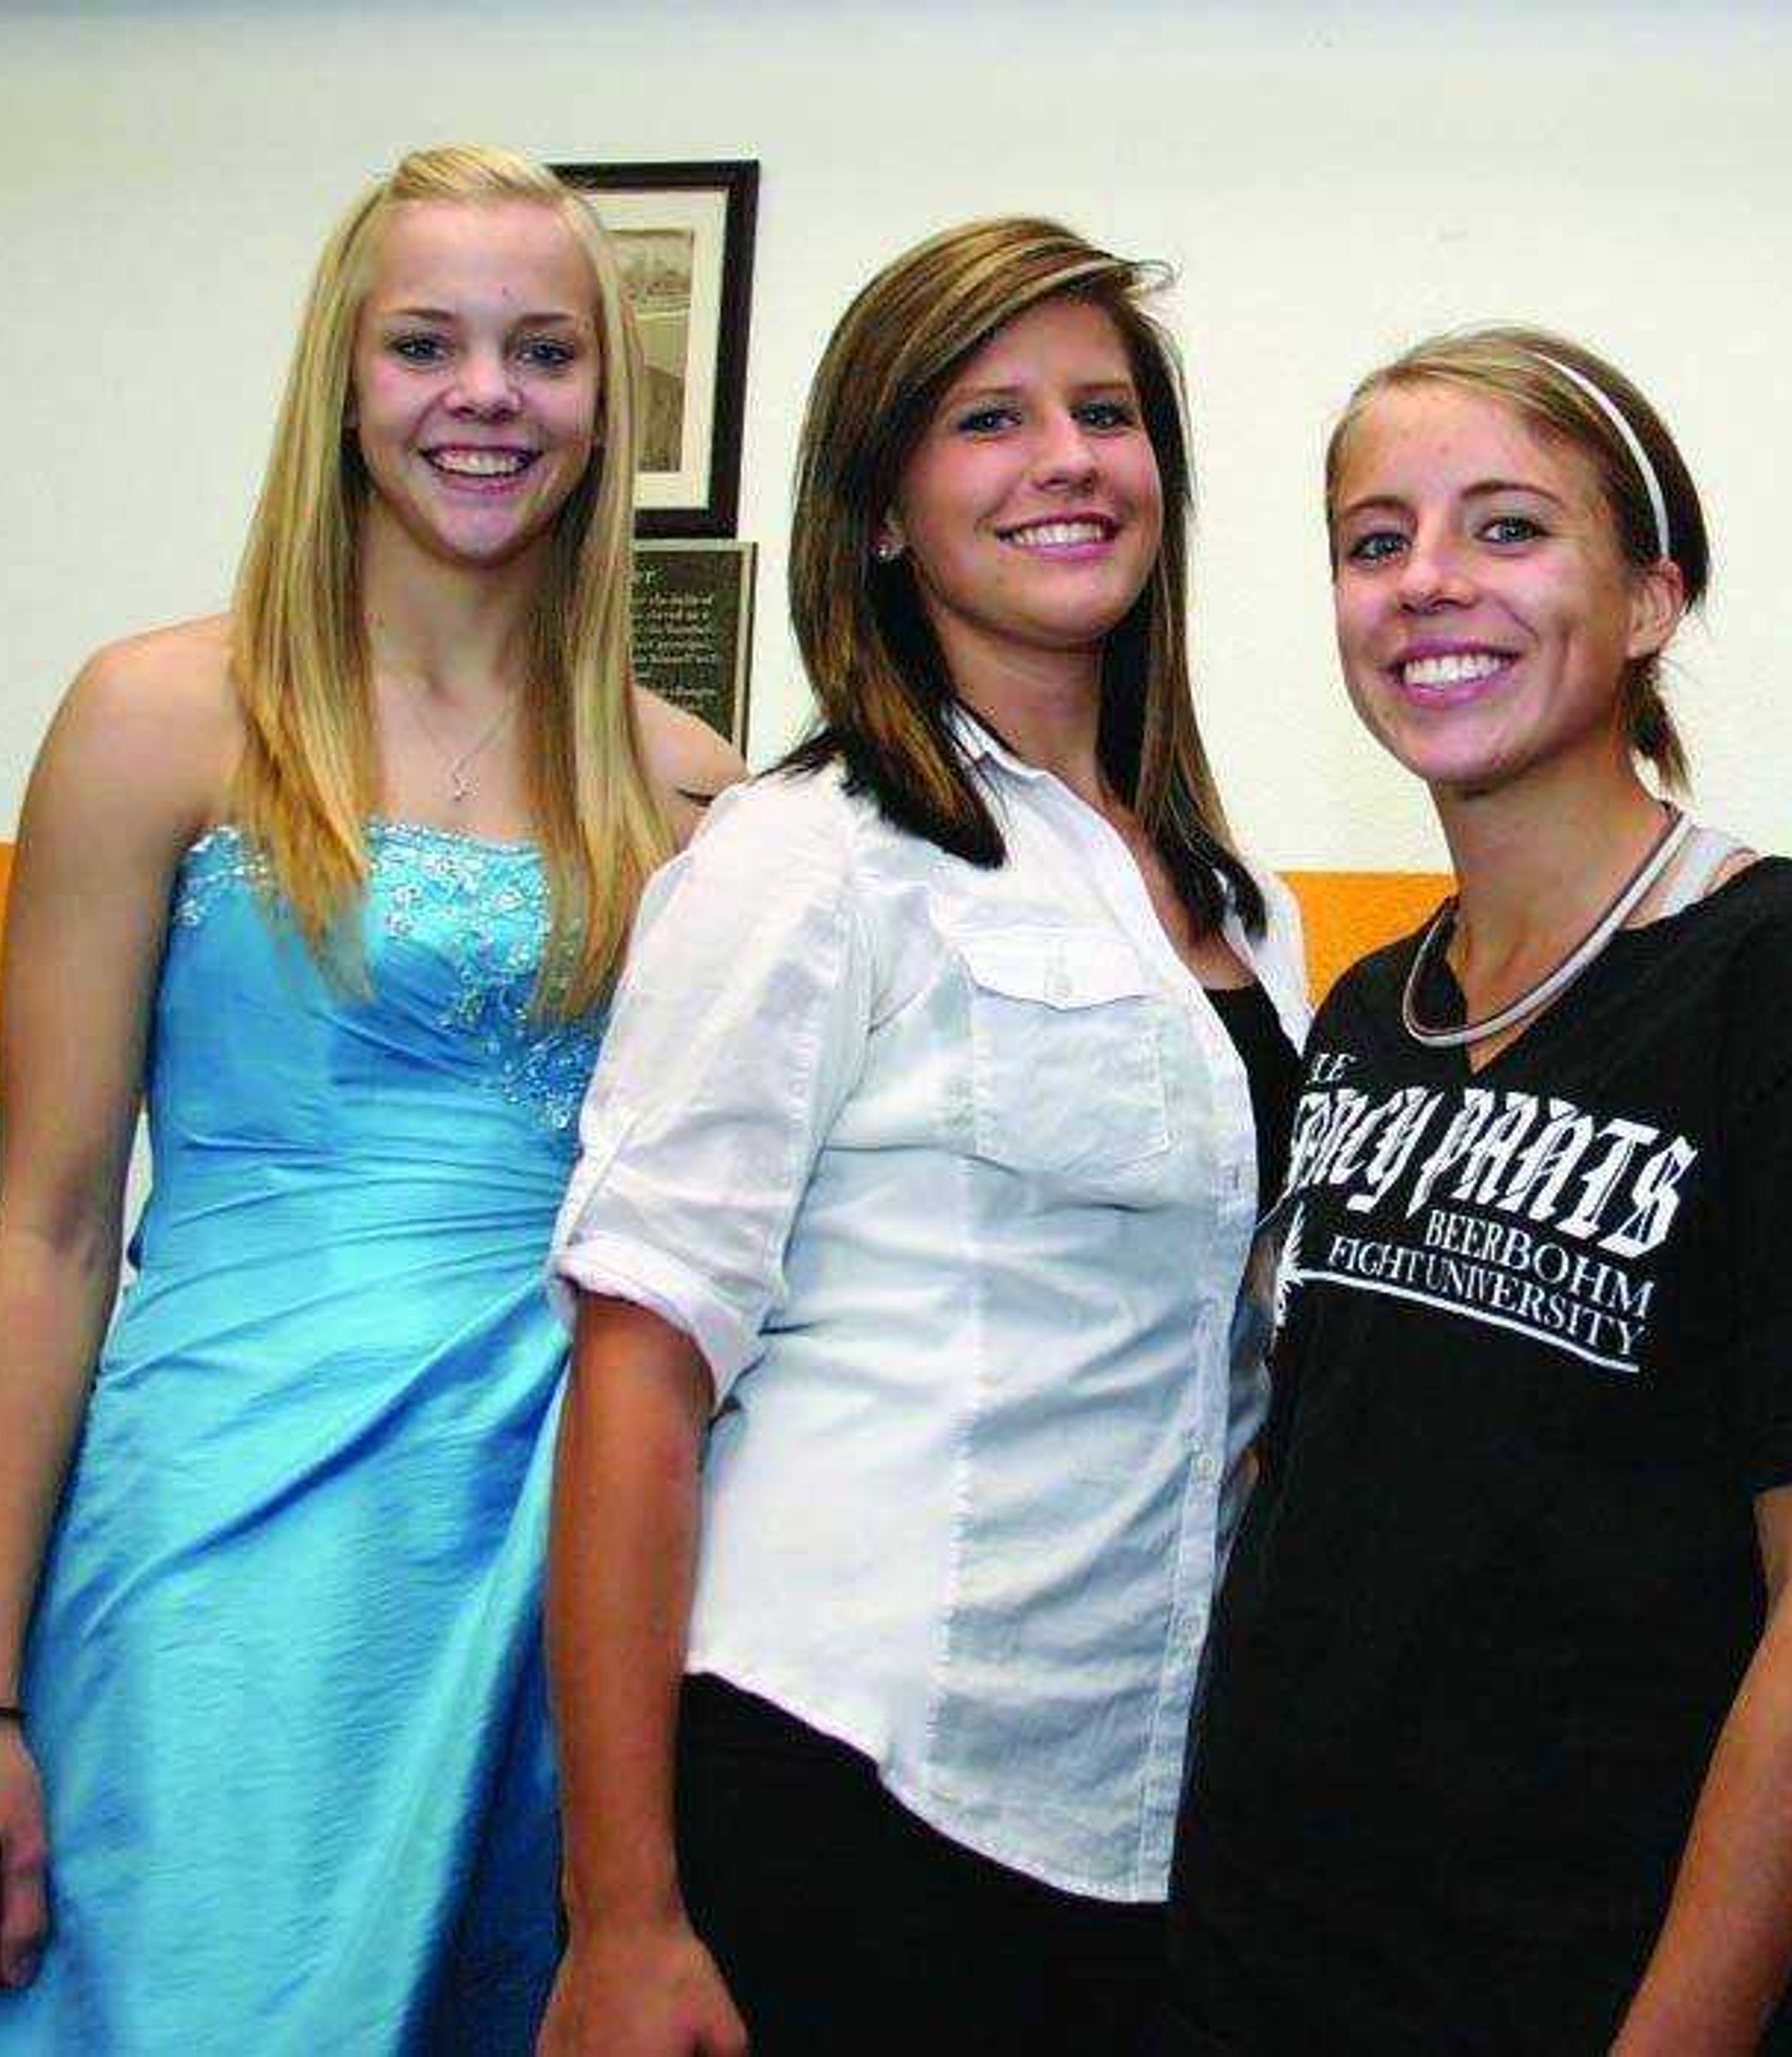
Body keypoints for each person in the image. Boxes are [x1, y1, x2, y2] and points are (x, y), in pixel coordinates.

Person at [0, 145, 737, 2050]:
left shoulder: (694, 791)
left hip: (557, 1557)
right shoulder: (158, 716)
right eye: (426, 345)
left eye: (545, 351)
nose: (486, 395)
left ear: (611, 404)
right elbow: (49, 1231)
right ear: (342, 377)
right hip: (223, 1523)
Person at [537, 217, 1305, 2055]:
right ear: (883, 511)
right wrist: (621, 1914)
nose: (1067, 460)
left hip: (1134, 1806)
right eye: (988, 420)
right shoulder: (805, 860)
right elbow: (637, 1380)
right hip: (846, 1780)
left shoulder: (1237, 906)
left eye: (1105, 414)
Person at [1164, 326, 1792, 2053]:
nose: (1428, 582)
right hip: (1258, 1960)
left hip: (1575, 1972)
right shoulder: (1368, 1014)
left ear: (1652, 597)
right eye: (1376, 541)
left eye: (1508, 528)